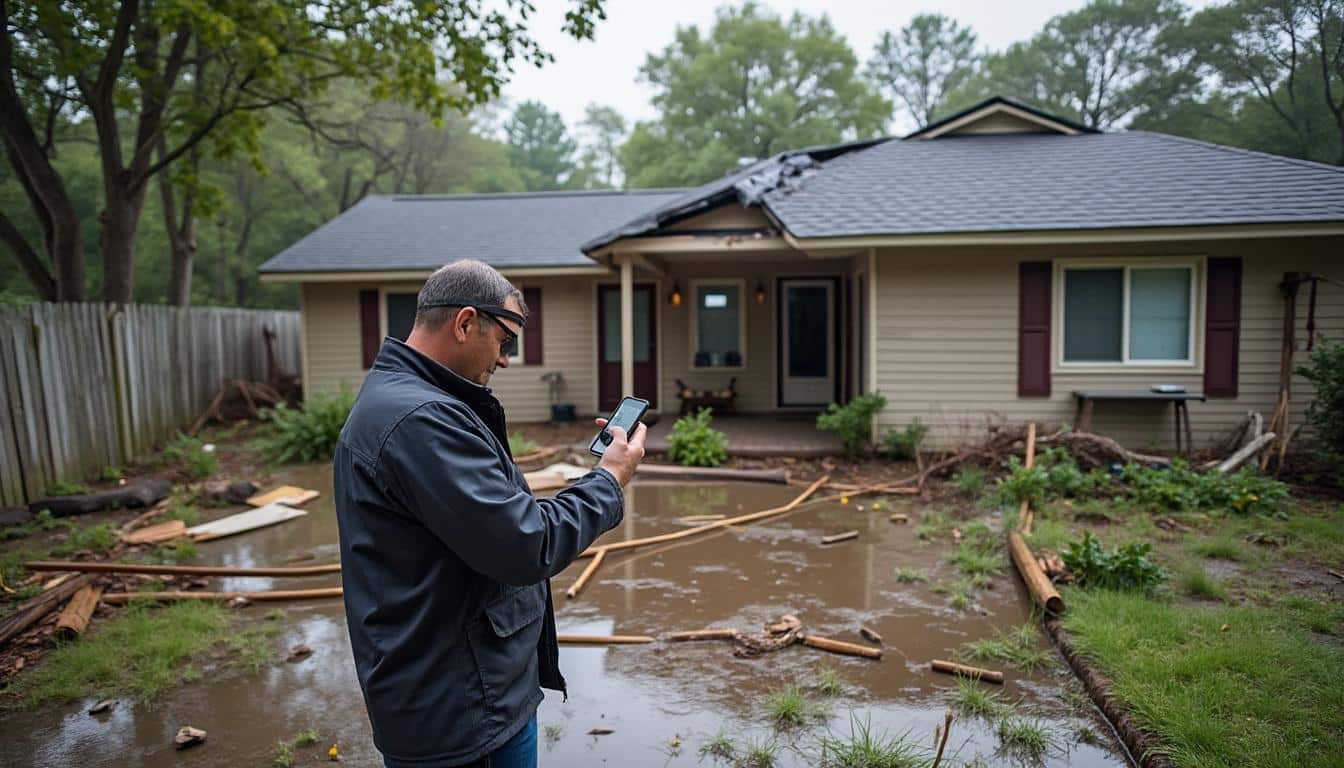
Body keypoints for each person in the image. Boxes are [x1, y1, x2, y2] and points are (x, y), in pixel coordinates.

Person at [333, 259, 645, 768]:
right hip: (459, 711)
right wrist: (608, 480)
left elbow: (496, 522)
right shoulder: (421, 420)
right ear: (464, 323)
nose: (506, 360)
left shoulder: (418, 401)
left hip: (471, 690)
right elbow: (526, 544)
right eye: (505, 341)